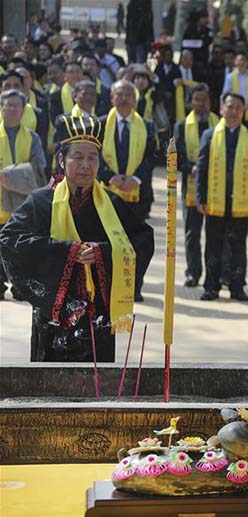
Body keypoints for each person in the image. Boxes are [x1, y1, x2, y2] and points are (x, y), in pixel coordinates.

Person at [0, 115, 153, 361]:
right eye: (78, 157)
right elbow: (10, 240)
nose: (85, 165)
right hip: (53, 315)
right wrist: (67, 251)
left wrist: (103, 253)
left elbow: (142, 240)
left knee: (97, 377)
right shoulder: (42, 201)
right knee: (51, 377)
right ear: (62, 160)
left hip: (97, 315)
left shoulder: (111, 204)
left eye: (92, 157)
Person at [196, 93, 248, 301]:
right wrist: (200, 197)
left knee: (238, 247)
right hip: (215, 199)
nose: (233, 111)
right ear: (221, 109)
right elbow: (202, 168)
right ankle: (211, 286)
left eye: (238, 108)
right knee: (213, 245)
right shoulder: (209, 135)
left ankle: (237, 286)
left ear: (243, 112)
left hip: (240, 201)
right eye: (229, 106)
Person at [0, 89, 47, 298]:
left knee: (19, 248)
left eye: (15, 106)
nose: (11, 109)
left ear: (23, 110)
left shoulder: (32, 138)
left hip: (22, 202)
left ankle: (20, 287)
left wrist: (12, 177)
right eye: (7, 105)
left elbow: (39, 167)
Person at [173, 83, 218, 287]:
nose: (201, 104)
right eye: (197, 100)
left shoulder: (218, 123)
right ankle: (193, 272)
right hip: (192, 184)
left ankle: (215, 274)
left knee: (215, 233)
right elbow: (177, 157)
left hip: (216, 185)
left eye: (205, 100)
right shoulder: (182, 125)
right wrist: (190, 168)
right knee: (192, 233)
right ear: (190, 102)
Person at [97, 80, 157, 228]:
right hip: (106, 189)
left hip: (137, 193)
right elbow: (95, 154)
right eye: (119, 94)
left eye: (129, 94)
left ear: (135, 100)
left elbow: (151, 157)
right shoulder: (100, 124)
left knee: (134, 236)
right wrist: (110, 177)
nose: (124, 98)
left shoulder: (147, 126)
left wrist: (136, 178)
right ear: (112, 98)